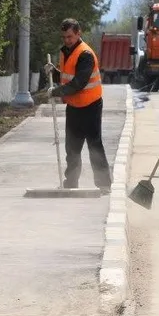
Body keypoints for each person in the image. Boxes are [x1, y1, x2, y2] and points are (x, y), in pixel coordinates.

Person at [45, 18, 113, 192]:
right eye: (64, 37)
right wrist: (54, 71)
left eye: (70, 36)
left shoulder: (85, 54)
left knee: (94, 145)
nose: (67, 40)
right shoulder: (66, 52)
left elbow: (79, 82)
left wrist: (56, 92)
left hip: (91, 105)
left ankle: (104, 184)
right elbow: (68, 75)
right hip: (74, 106)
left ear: (78, 33)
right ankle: (71, 182)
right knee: (72, 147)